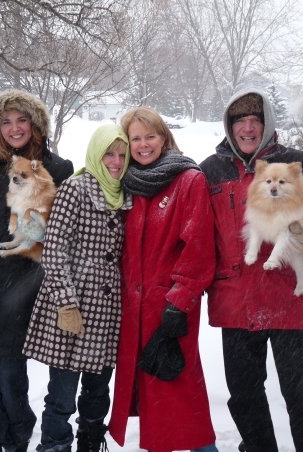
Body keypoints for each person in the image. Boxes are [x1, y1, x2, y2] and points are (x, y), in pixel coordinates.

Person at [199, 88, 303, 452]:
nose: (248, 127)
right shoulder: (210, 171)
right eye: (240, 120)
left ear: (267, 122)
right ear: (229, 125)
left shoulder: (297, 165)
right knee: (245, 401)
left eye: (255, 119)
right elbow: (192, 232)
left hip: (291, 306)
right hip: (235, 307)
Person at [0, 89, 74, 452]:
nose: (14, 128)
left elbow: (63, 233)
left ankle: (17, 441)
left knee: (10, 381)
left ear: (36, 124)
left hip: (18, 293)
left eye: (22, 120)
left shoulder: (58, 169)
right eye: (5, 121)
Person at [108, 107, 219, 452]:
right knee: (155, 401)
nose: (143, 145)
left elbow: (198, 249)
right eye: (135, 138)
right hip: (134, 310)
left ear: (164, 137)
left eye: (150, 136)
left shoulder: (188, 179)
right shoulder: (127, 183)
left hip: (169, 309)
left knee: (180, 390)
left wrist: (178, 303)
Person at [23, 124, 131, 452]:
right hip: (74, 306)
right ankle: (55, 446)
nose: (115, 162)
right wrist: (66, 302)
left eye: (121, 155)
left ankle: (90, 442)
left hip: (110, 312)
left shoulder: (128, 191)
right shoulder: (76, 188)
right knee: (62, 396)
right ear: (96, 154)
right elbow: (55, 249)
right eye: (108, 154)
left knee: (98, 393)